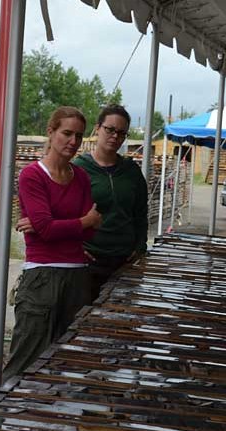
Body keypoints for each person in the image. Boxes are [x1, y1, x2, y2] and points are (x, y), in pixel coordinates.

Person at [3, 106, 102, 382]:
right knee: (26, 360)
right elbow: (53, 230)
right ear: (51, 132)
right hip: (42, 277)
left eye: (79, 136)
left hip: (78, 276)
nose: (73, 141)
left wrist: (52, 223)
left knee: (68, 361)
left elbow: (89, 234)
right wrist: (80, 221)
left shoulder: (81, 176)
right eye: (67, 133)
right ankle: (12, 420)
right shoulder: (32, 175)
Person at [72, 104, 148, 296]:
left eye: (122, 133)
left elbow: (140, 213)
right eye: (110, 129)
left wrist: (140, 245)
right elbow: (65, 212)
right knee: (84, 319)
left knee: (121, 320)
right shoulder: (78, 169)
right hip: (90, 261)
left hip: (125, 261)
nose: (115, 136)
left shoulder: (131, 171)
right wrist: (74, 247)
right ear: (98, 128)